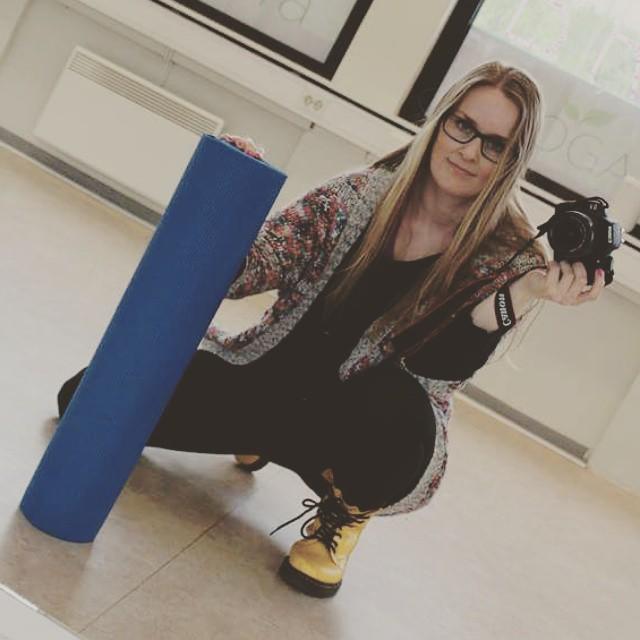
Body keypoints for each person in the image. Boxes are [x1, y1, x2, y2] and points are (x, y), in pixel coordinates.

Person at [56, 61, 606, 599]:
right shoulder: (357, 195)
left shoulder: (508, 260)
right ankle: (251, 437)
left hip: (351, 437)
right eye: (463, 126)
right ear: (440, 120)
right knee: (81, 400)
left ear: (511, 162)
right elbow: (253, 268)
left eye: (494, 145)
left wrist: (526, 292)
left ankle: (345, 513)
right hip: (264, 385)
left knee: (397, 402)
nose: (469, 151)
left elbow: (439, 366)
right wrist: (230, 188)